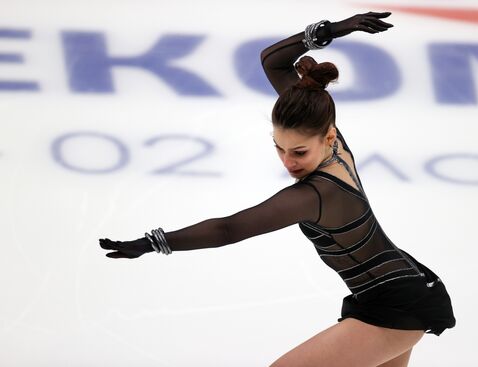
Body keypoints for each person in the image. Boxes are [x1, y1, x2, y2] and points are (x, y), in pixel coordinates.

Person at [99, 12, 455, 367]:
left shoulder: (316, 194)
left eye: (298, 152)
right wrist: (333, 29)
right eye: (279, 148)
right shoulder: (331, 144)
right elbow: (273, 62)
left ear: (328, 136)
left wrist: (153, 242)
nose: (288, 162)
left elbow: (229, 228)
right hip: (399, 289)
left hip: (398, 303)